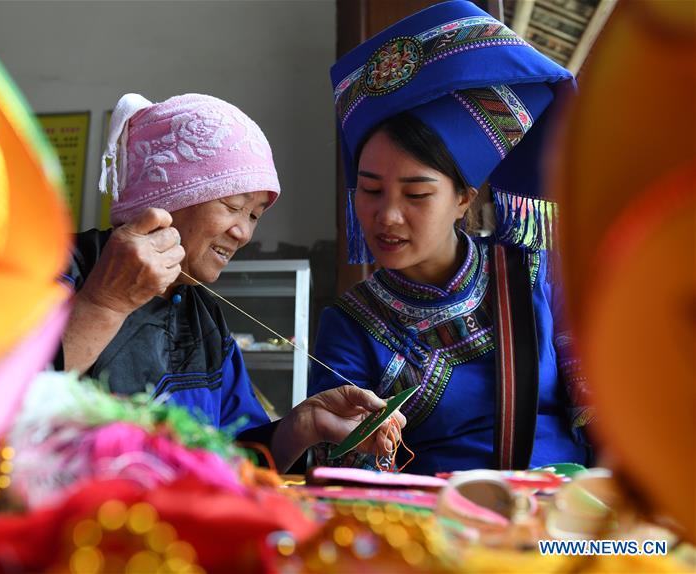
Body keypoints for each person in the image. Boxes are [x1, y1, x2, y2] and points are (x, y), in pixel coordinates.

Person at [309, 0, 594, 475]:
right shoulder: (352, 323)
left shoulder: (534, 274)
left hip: (564, 505)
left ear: (464, 198)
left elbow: (603, 407)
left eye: (416, 194)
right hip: (436, 516)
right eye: (371, 190)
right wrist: (359, 444)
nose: (388, 216)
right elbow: (338, 470)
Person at [55, 93, 404, 471]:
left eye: (254, 215)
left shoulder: (202, 317)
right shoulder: (62, 268)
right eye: (234, 207)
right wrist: (105, 303)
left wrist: (303, 425)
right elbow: (9, 400)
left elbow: (233, 459)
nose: (244, 233)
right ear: (169, 196)